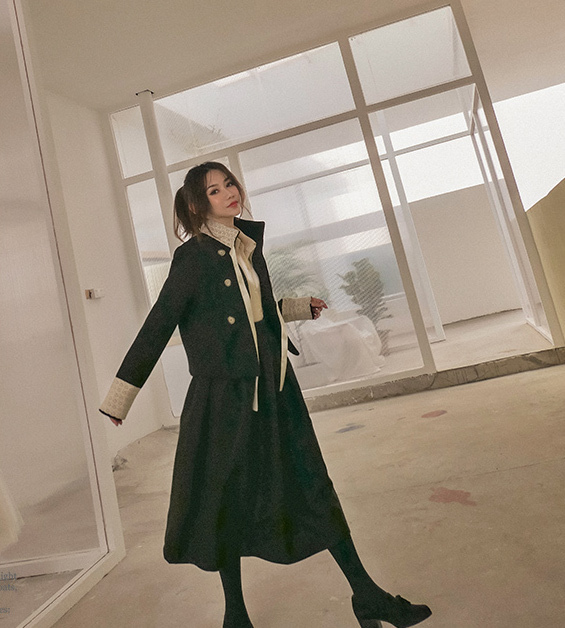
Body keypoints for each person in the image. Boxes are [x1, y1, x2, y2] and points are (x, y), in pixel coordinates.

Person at [99, 162, 432, 628]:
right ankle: (236, 614)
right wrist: (121, 397)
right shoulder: (192, 258)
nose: (228, 193)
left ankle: (366, 594)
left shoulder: (246, 244)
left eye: (229, 183)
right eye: (214, 191)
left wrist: (295, 307)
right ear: (197, 205)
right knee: (227, 498)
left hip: (275, 389)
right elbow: (160, 322)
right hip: (226, 399)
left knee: (313, 483)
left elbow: (252, 311)